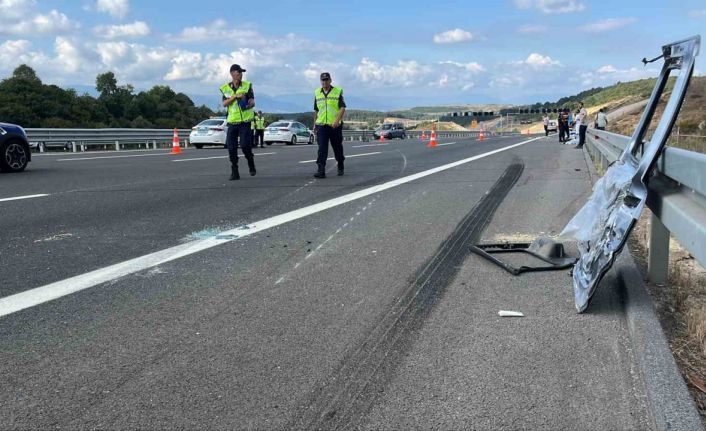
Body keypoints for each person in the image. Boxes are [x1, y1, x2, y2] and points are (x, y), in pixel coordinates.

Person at [220, 64, 256, 180]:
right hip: (232, 122)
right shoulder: (226, 88)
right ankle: (234, 170)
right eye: (238, 72)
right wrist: (235, 97)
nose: (241, 74)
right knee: (231, 148)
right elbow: (224, 104)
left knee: (245, 145)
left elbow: (252, 101)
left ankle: (250, 161)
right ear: (232, 73)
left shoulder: (247, 85)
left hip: (244, 122)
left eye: (241, 72)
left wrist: (249, 103)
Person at [313, 72, 346, 178]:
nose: (324, 82)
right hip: (321, 125)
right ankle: (321, 170)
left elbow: (342, 108)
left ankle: (340, 164)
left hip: (334, 126)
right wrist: (315, 124)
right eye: (323, 80)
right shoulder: (317, 93)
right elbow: (316, 110)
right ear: (320, 81)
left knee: (337, 148)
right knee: (322, 148)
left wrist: (337, 121)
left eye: (326, 80)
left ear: (330, 80)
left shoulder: (337, 92)